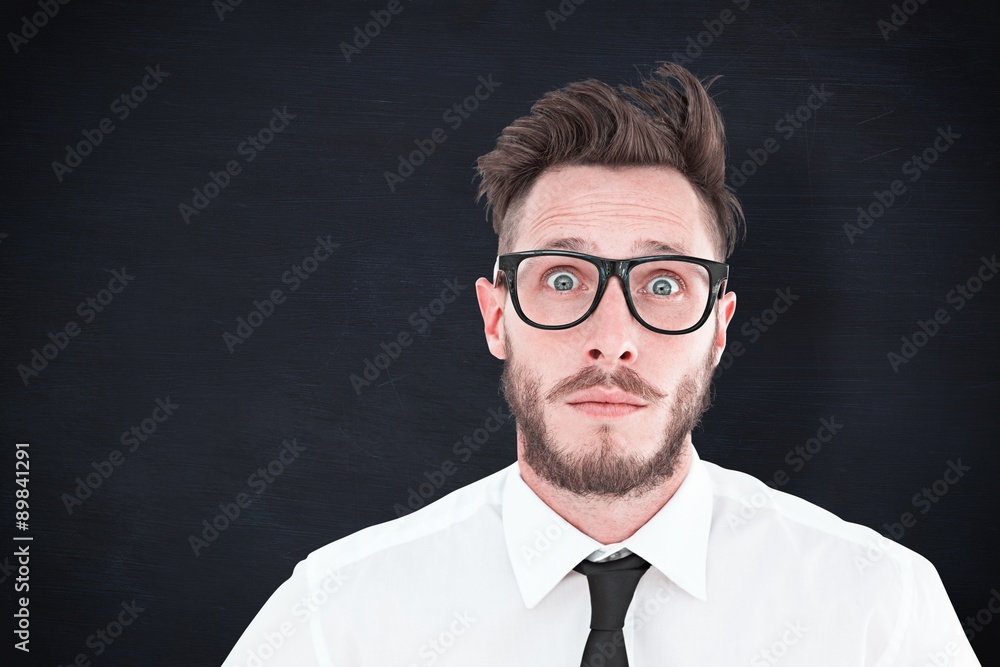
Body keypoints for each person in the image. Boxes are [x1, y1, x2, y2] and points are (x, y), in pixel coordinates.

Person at [222, 62, 980, 667]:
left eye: (662, 283)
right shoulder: (339, 615)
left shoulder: (881, 608)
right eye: (561, 278)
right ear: (496, 318)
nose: (613, 338)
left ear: (717, 332)